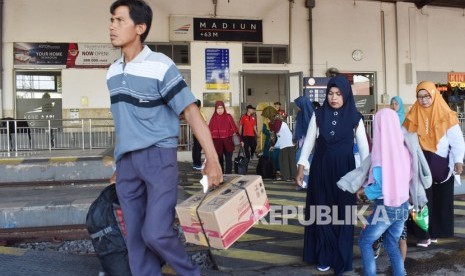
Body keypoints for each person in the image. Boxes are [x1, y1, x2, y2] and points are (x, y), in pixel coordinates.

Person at [106, 1, 223, 275]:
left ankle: (190, 272)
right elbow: (122, 122)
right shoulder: (112, 72)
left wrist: (213, 159)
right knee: (135, 239)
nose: (112, 26)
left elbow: (191, 113)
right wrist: (117, 165)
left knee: (155, 233)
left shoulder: (160, 65)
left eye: (120, 20)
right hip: (127, 164)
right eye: (111, 20)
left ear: (140, 28)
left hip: (158, 158)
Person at [295, 75, 370, 274]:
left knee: (343, 215)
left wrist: (366, 178)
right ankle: (323, 255)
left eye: (338, 94)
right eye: (330, 93)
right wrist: (301, 168)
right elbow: (309, 143)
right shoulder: (318, 115)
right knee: (322, 213)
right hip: (321, 170)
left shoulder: (356, 117)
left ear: (345, 95)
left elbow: (364, 151)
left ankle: (340, 257)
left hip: (346, 173)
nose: (333, 98)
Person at [403, 81, 465, 247]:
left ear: (434, 95)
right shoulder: (412, 114)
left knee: (440, 201)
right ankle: (424, 234)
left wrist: (459, 160)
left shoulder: (447, 114)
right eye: (420, 96)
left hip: (442, 166)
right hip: (421, 165)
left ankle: (437, 232)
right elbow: (405, 139)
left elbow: (457, 140)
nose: (423, 100)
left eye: (427, 96)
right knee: (421, 200)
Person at [356, 108, 411, 276]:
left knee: (365, 241)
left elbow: (381, 187)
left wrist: (363, 190)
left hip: (386, 205)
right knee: (391, 242)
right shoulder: (404, 151)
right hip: (403, 204)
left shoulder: (381, 155)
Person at [208, 101, 240, 174]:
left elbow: (234, 129)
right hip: (217, 143)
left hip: (228, 142)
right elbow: (210, 132)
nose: (220, 110)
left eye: (221, 108)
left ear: (224, 108)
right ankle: (220, 174)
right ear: (215, 109)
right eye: (218, 108)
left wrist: (240, 139)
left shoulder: (228, 117)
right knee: (219, 160)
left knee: (228, 159)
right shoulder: (213, 119)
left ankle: (228, 175)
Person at [294, 95, 315, 190]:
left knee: (306, 163)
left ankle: (305, 184)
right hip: (301, 142)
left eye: (297, 104)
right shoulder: (301, 114)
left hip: (309, 144)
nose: (296, 107)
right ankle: (302, 183)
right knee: (301, 162)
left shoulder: (312, 115)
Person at [192, 99, 206, 170]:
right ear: (200, 106)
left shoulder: (193, 113)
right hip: (199, 133)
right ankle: (197, 164)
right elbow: (203, 123)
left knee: (195, 148)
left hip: (195, 132)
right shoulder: (198, 112)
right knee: (198, 149)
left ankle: (195, 163)